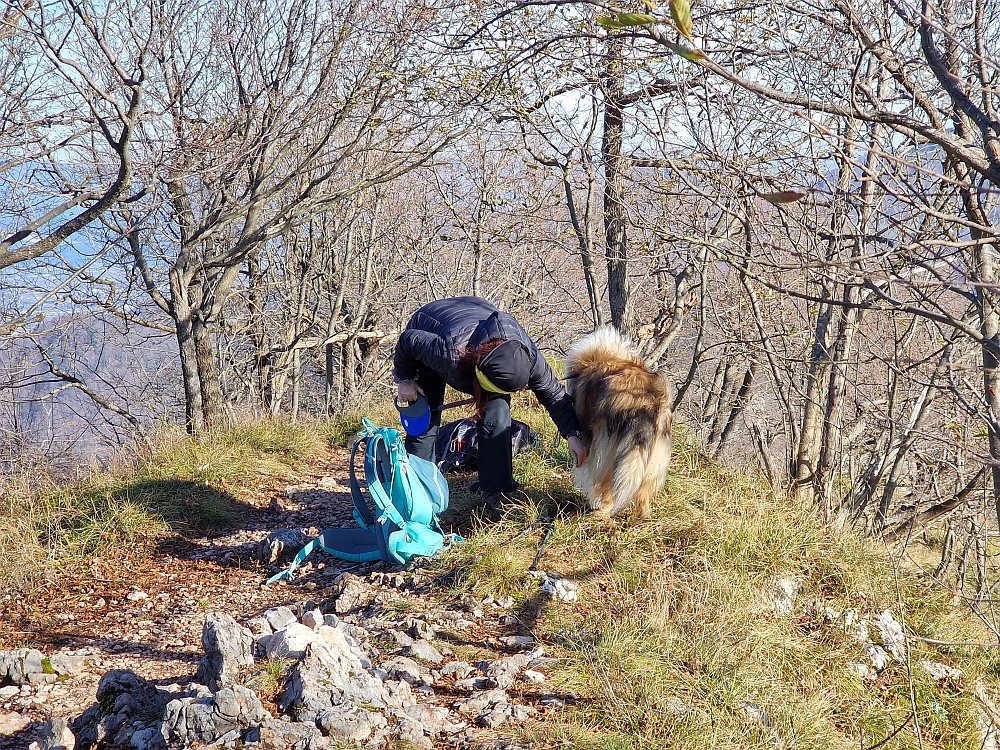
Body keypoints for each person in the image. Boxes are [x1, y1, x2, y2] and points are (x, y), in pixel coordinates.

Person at [393, 296, 587, 502]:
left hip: (477, 315)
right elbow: (409, 339)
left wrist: (573, 435)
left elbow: (554, 395)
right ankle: (417, 493)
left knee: (497, 413)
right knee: (424, 418)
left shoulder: (527, 357)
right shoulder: (448, 353)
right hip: (431, 326)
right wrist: (405, 380)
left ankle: (496, 492)